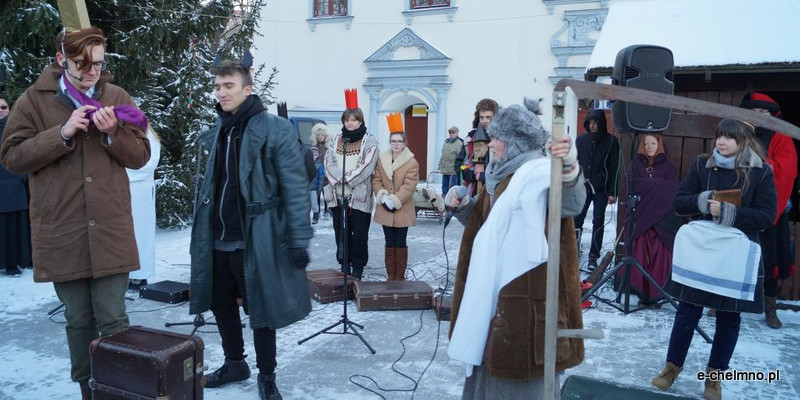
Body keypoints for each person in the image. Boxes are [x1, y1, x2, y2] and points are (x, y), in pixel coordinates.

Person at [0, 27, 150, 399]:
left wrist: (115, 132)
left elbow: (141, 155)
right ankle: (89, 389)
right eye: (82, 65)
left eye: (98, 64)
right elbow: (12, 157)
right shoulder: (34, 101)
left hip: (110, 230)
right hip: (62, 231)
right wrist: (61, 134)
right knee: (78, 320)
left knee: (114, 319)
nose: (91, 73)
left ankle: (120, 389)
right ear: (61, 60)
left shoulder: (116, 97)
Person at [189, 55, 313, 400]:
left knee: (261, 309)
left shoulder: (273, 128)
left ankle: (268, 375)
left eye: (228, 86)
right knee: (220, 301)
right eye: (217, 86)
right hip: (218, 236)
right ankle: (234, 362)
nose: (221, 93)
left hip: (256, 236)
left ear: (248, 88)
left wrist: (297, 238)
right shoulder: (219, 129)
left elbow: (295, 185)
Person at [446, 98, 586, 399]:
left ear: (515, 143)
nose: (490, 143)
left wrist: (569, 166)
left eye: (497, 138)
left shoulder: (539, 174)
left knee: (516, 382)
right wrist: (465, 205)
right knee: (489, 370)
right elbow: (489, 228)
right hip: (492, 298)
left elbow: (571, 203)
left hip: (526, 303)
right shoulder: (500, 177)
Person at [652, 119, 776, 400]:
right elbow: (679, 201)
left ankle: (714, 377)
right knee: (686, 313)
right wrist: (705, 201)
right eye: (719, 136)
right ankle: (671, 368)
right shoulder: (702, 165)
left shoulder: (762, 172)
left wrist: (729, 212)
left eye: (729, 138)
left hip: (734, 255)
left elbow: (767, 216)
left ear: (743, 140)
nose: (721, 142)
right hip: (703, 252)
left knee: (729, 319)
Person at [739, 92, 797, 329]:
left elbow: (787, 170)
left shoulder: (782, 137)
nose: (759, 117)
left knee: (769, 259)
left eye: (763, 113)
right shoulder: (740, 134)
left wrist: (758, 162)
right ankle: (723, 301)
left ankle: (770, 308)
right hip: (741, 207)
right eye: (754, 113)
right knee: (735, 255)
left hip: (769, 208)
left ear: (773, 115)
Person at [323, 90, 379, 280]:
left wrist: (348, 178)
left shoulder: (369, 141)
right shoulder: (336, 140)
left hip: (359, 195)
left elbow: (368, 166)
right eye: (348, 120)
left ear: (361, 121)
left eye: (354, 120)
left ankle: (358, 267)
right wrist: (340, 178)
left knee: (360, 234)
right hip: (338, 194)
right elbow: (328, 162)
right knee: (341, 232)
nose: (351, 123)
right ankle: (344, 264)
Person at [618, 133, 680, 305]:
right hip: (641, 219)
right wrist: (657, 187)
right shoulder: (635, 165)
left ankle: (657, 292)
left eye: (653, 143)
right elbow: (630, 184)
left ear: (659, 145)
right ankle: (641, 290)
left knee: (659, 257)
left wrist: (649, 187)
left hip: (661, 222)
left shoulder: (668, 168)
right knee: (640, 254)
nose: (650, 146)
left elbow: (673, 189)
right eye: (646, 144)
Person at [372, 114, 419, 281]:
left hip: (402, 208)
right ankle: (390, 275)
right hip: (385, 208)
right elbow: (376, 179)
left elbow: (409, 185)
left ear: (404, 142)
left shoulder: (411, 162)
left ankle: (399, 276)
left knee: (400, 242)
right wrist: (382, 196)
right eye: (393, 141)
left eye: (399, 141)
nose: (396, 144)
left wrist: (395, 200)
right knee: (388, 241)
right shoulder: (382, 159)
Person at [574, 109, 620, 268]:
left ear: (601, 123)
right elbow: (574, 163)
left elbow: (615, 167)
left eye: (595, 123)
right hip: (582, 186)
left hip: (601, 189)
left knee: (598, 221)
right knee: (577, 220)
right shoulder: (580, 140)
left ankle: (593, 255)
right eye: (590, 123)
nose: (593, 126)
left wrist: (613, 192)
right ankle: (573, 250)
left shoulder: (612, 142)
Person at [0, 95, 33, 277]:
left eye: (3, 107)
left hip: (16, 183)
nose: (0, 110)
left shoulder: (16, 129)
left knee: (17, 225)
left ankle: (19, 261)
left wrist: (23, 176)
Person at [127, 125, 161, 290]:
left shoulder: (147, 134)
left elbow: (149, 163)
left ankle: (139, 276)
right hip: (121, 192)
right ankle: (125, 274)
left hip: (140, 193)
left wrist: (119, 172)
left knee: (140, 234)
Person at [458, 98, 498, 197]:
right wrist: (467, 172)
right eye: (482, 117)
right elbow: (460, 161)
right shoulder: (470, 138)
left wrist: (485, 176)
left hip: (496, 189)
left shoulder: (502, 138)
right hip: (474, 188)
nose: (484, 121)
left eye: (488, 117)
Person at [309, 123, 330, 223]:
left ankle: (327, 211)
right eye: (318, 135)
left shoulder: (328, 149)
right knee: (316, 194)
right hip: (316, 176)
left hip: (326, 176)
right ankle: (316, 213)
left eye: (322, 135)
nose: (320, 137)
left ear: (325, 136)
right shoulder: (313, 148)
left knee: (326, 194)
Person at [438, 125, 463, 195]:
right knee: (444, 186)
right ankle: (444, 199)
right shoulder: (446, 142)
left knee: (453, 187)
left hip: (453, 170)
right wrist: (440, 165)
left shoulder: (460, 143)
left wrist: (457, 168)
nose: (451, 134)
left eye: (453, 132)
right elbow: (443, 154)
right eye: (450, 132)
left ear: (457, 133)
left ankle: (452, 201)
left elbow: (461, 157)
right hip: (444, 169)